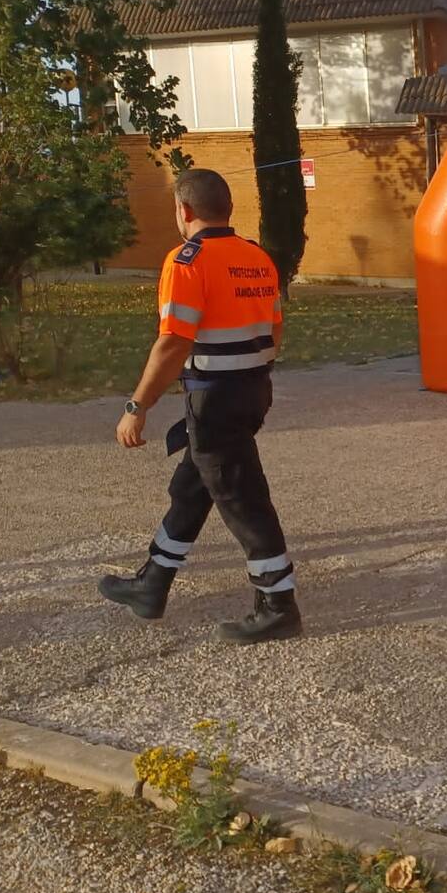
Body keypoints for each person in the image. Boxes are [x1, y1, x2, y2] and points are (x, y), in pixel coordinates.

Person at [98, 168, 301, 644]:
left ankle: (278, 604)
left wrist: (138, 404)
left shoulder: (186, 261)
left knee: (240, 497)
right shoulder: (257, 257)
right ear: (226, 209)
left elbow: (173, 342)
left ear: (184, 212)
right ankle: (153, 584)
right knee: (193, 487)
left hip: (214, 397)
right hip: (253, 389)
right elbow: (274, 331)